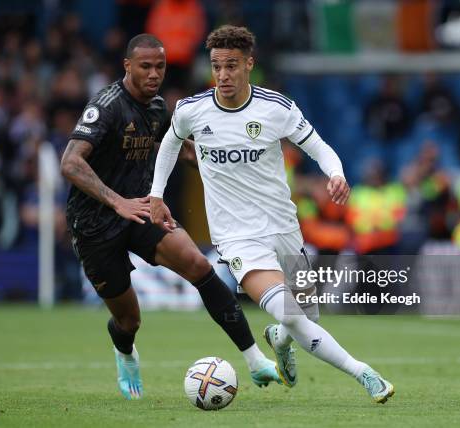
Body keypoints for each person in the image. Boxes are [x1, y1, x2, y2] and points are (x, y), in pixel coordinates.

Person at [150, 25, 395, 403]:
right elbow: (169, 146)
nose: (223, 75)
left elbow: (321, 147)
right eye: (216, 66)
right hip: (237, 238)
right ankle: (365, 374)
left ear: (249, 64)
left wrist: (337, 174)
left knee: (304, 318)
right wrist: (156, 195)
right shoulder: (191, 110)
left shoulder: (275, 109)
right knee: (293, 313)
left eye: (231, 66)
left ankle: (280, 339)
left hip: (284, 228)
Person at [60, 34, 280, 400]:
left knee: (199, 266)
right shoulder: (107, 107)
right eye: (145, 66)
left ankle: (255, 360)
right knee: (129, 320)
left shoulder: (159, 107)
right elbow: (70, 162)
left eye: (159, 66)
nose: (154, 74)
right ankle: (125, 351)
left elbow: (170, 146)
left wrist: (213, 158)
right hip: (96, 224)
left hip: (144, 210)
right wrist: (116, 202)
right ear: (127, 66)